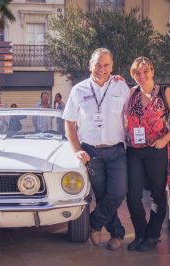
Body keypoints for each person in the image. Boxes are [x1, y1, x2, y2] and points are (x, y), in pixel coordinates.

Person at [62, 48, 130, 250]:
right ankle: (117, 234)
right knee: (101, 195)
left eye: (106, 65)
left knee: (118, 193)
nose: (102, 69)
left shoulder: (121, 87)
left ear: (112, 66)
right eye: (98, 64)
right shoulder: (78, 90)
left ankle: (93, 222)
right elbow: (69, 123)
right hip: (91, 152)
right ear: (90, 65)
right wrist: (76, 150)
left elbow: (133, 113)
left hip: (116, 151)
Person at [125, 56, 170, 252]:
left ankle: (153, 235)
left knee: (157, 195)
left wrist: (165, 139)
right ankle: (141, 233)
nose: (142, 75)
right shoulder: (131, 93)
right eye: (137, 72)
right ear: (133, 75)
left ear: (153, 71)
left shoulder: (165, 92)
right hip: (134, 151)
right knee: (133, 196)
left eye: (146, 71)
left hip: (157, 150)